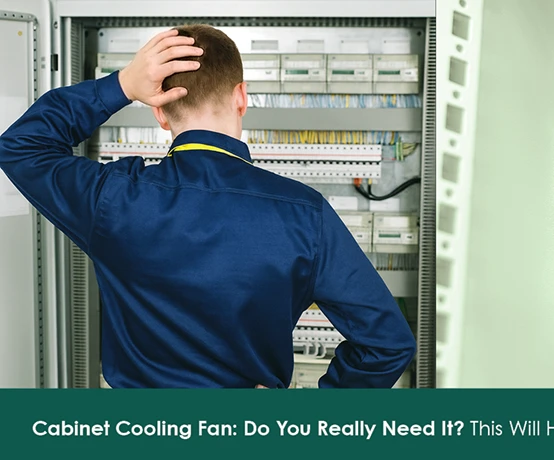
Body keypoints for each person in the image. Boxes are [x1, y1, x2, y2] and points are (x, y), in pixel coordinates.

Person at [0, 25, 415, 388]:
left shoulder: (114, 197)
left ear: (160, 113)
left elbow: (21, 146)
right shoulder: (305, 213)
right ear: (241, 97)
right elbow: (386, 342)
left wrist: (122, 85)